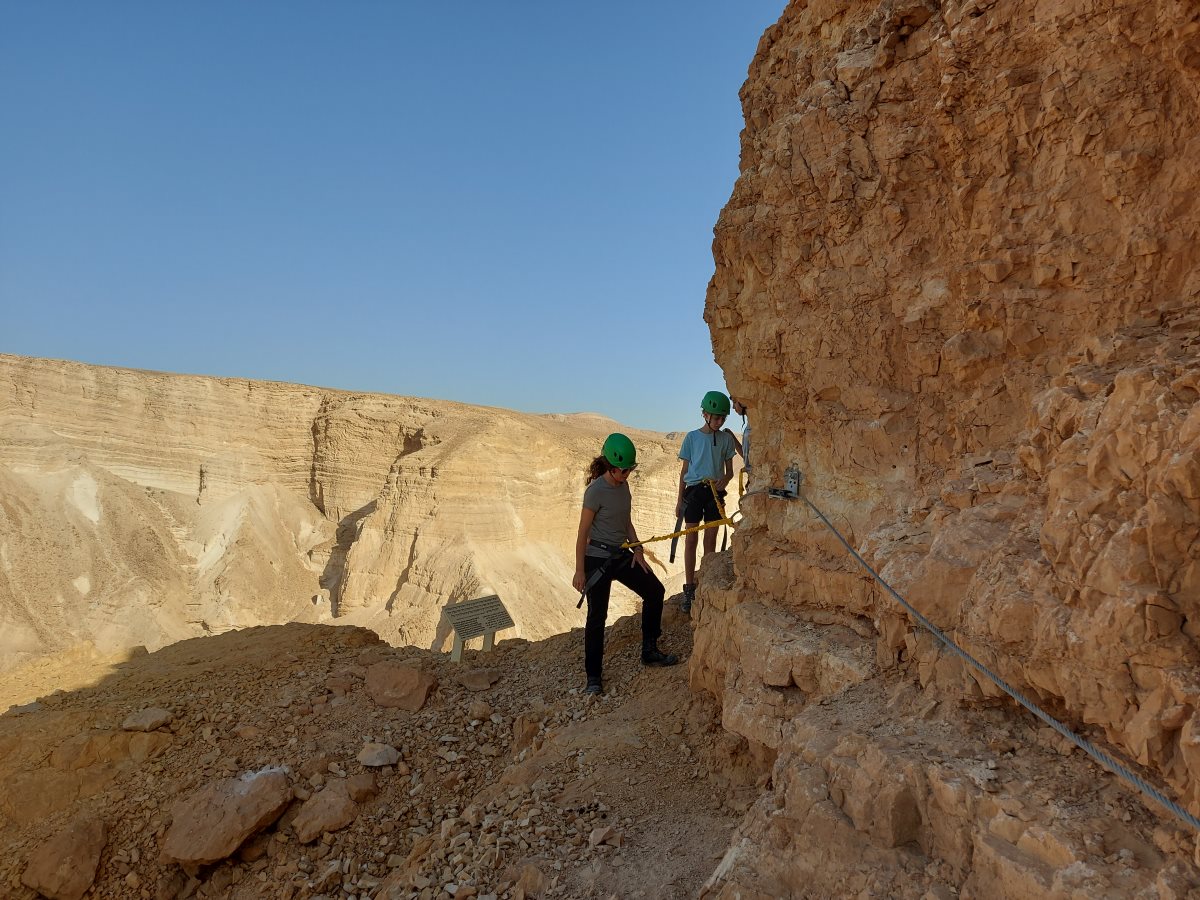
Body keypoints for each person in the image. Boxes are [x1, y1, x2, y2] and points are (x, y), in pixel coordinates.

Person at [573, 433, 679, 695]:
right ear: (611, 466)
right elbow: (582, 532)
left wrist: (638, 549)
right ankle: (594, 677)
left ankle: (649, 650)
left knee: (655, 591)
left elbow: (626, 521)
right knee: (597, 617)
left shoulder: (623, 487)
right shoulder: (595, 491)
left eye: (630, 470)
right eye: (624, 470)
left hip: (621, 554)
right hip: (597, 559)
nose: (627, 474)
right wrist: (579, 570)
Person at [676, 392, 737, 613]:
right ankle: (689, 587)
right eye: (716, 417)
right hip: (693, 492)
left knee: (710, 541)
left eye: (723, 418)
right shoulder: (691, 438)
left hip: (714, 493)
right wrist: (678, 502)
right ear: (705, 414)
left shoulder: (726, 439)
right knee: (690, 540)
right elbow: (684, 472)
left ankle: (707, 583)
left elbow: (730, 471)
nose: (720, 422)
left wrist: (725, 480)